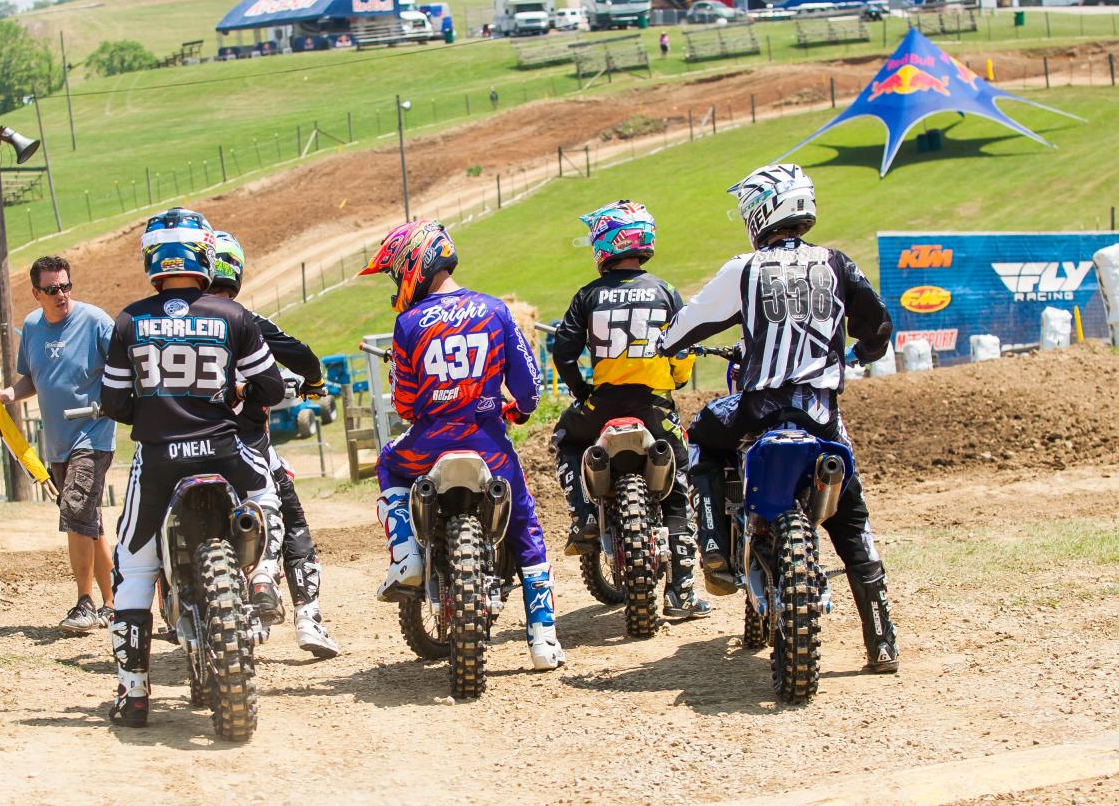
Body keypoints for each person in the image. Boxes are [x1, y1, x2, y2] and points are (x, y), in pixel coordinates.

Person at [654, 163, 899, 673]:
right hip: (821, 415)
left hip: (759, 411)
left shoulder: (744, 268)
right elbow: (878, 324)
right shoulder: (836, 263)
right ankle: (881, 641)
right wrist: (863, 351)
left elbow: (684, 328)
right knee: (852, 521)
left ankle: (717, 550)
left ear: (759, 212)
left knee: (701, 435)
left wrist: (665, 342)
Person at [99, 208, 287, 727]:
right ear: (205, 252)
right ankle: (265, 575)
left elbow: (114, 403)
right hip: (223, 452)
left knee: (133, 566)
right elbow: (270, 388)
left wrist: (152, 409)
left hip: (159, 458)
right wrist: (236, 401)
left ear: (152, 259)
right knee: (269, 497)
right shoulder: (234, 317)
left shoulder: (128, 320)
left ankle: (134, 695)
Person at [361, 219, 564, 671]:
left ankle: (407, 554)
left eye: (397, 272)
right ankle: (543, 636)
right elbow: (529, 387)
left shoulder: (408, 323)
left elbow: (405, 403)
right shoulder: (495, 310)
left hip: (430, 443)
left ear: (415, 263)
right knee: (525, 520)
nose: (397, 282)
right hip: (487, 441)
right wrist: (514, 410)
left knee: (390, 465)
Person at [551, 200, 711, 622]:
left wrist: (580, 388)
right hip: (655, 405)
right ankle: (681, 588)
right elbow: (684, 349)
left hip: (602, 403)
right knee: (679, 484)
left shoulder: (588, 294)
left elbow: (563, 352)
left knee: (565, 439)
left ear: (605, 243)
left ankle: (584, 516)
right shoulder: (665, 291)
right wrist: (673, 378)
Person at [207, 230, 340, 659]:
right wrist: (314, 384)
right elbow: (302, 357)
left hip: (184, 440)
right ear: (237, 273)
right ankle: (307, 617)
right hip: (246, 442)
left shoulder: (175, 324)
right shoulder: (246, 319)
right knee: (292, 517)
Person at [0, 256, 117, 635]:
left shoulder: (95, 322)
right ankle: (113, 604)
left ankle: (84, 604)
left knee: (75, 510)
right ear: (37, 293)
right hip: (58, 442)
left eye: (66, 286)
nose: (62, 295)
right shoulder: (33, 327)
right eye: (53, 289)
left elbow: (125, 367)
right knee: (89, 523)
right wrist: (6, 394)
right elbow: (32, 378)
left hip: (94, 434)